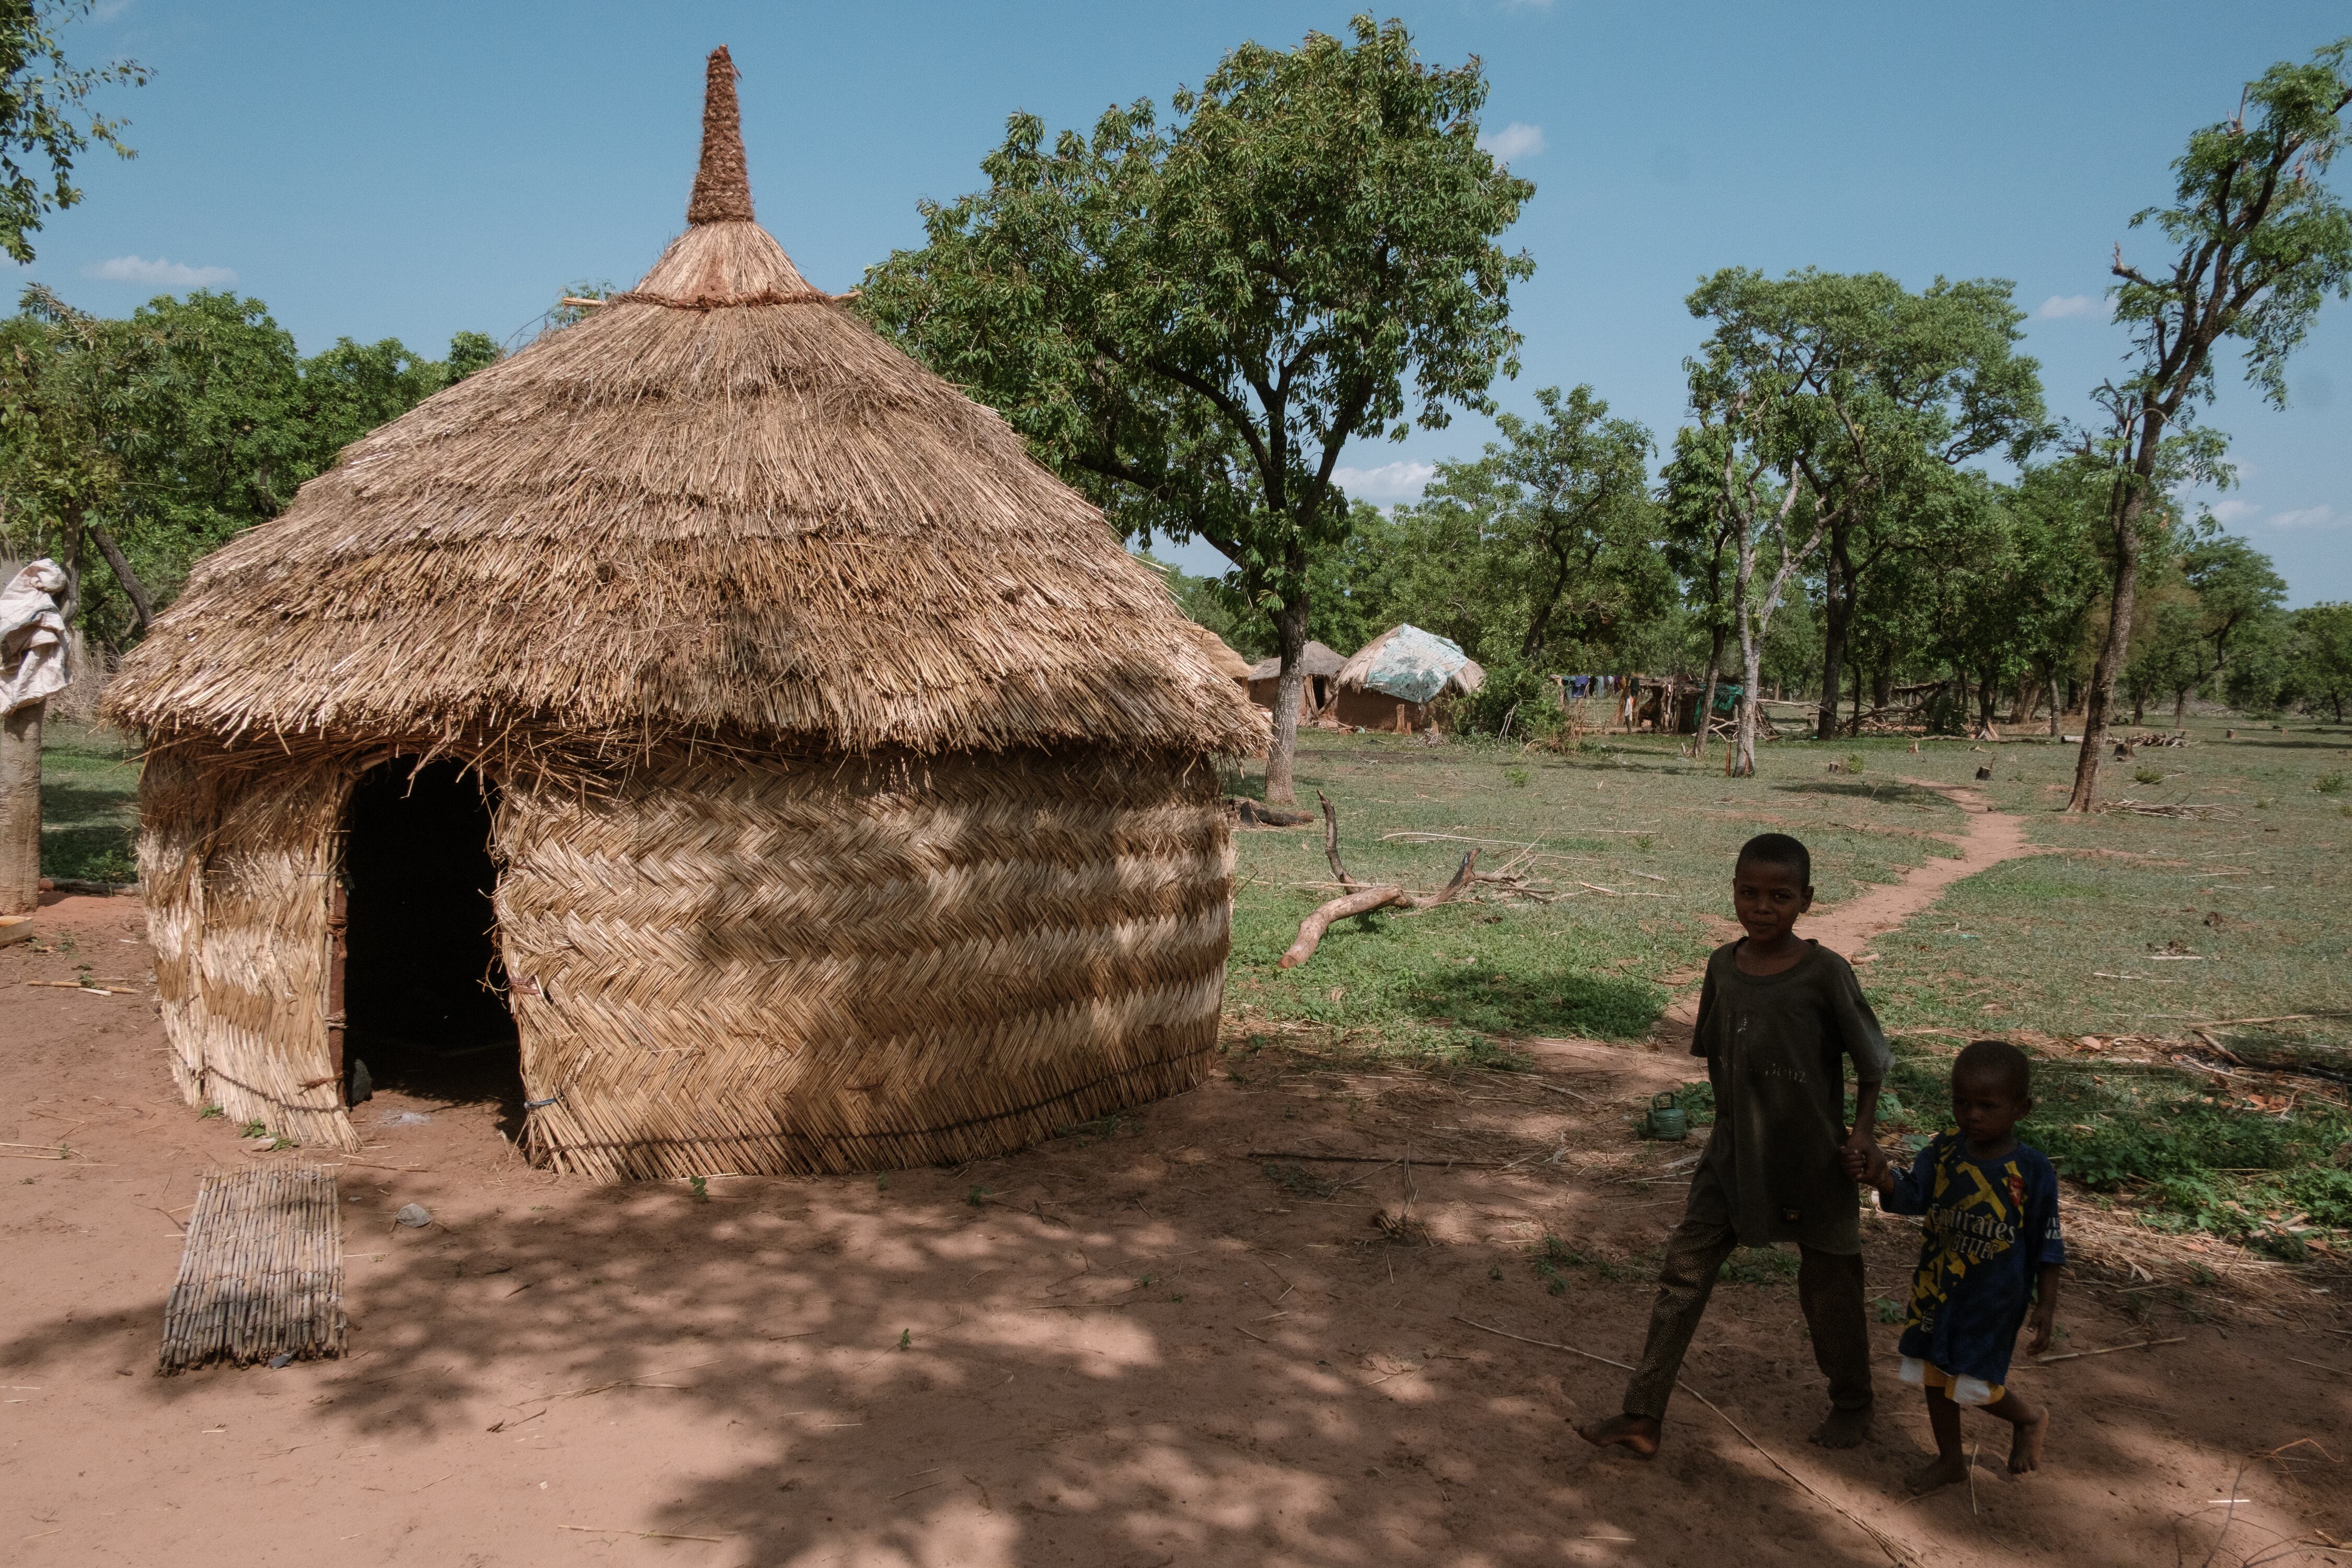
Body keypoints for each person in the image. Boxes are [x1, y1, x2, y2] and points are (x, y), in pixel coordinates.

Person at [1579, 833, 1889, 1459]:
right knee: (1682, 1276)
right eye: (1749, 893)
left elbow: (1873, 1061)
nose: (1762, 907)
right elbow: (1721, 1059)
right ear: (1733, 893)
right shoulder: (1723, 967)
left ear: (1806, 900)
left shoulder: (1826, 973)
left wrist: (1861, 1132)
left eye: (1779, 896)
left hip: (1813, 1161)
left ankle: (1853, 1402)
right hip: (1731, 1157)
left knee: (1830, 1287)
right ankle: (1643, 1414)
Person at [1846, 1040, 2063, 1492]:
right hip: (1937, 1286)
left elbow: (2047, 1241)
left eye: (1987, 1105)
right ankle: (1949, 1459)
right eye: (1962, 1102)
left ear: (2021, 1108)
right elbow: (1911, 1196)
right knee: (1933, 1371)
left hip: (1994, 1298)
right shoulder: (1943, 1153)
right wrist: (1883, 1177)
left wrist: (2047, 1304)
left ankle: (2027, 1417)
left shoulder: (2032, 1171)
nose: (1973, 1115)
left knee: (1972, 1380)